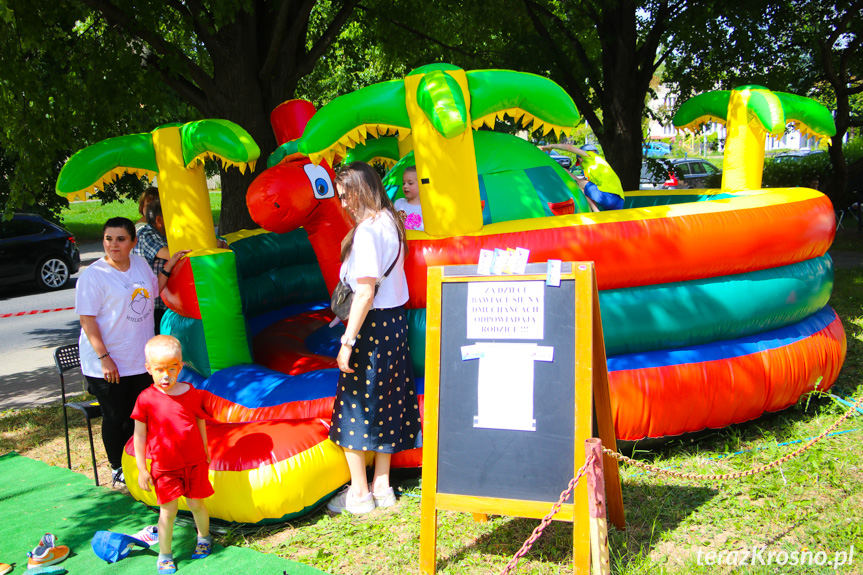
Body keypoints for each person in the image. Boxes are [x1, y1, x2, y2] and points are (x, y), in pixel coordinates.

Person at [326, 161, 423, 515]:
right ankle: (382, 486)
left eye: (346, 196)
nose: (344, 204)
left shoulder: (367, 231)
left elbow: (364, 293)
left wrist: (347, 341)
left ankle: (360, 494)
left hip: (370, 324)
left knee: (352, 407)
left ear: (359, 190)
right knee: (388, 401)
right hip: (395, 322)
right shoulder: (392, 221)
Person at [75, 217, 188, 487]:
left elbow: (154, 291)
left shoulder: (138, 263)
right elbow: (87, 321)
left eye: (121, 239)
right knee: (116, 416)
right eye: (108, 239)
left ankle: (141, 463)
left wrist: (169, 267)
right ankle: (117, 468)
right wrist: (105, 358)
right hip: (108, 363)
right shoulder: (94, 275)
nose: (113, 245)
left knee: (139, 415)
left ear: (133, 243)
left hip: (139, 360)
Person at [133, 335, 214, 575]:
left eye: (171, 368)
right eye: (159, 370)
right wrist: (141, 469)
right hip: (165, 467)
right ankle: (165, 554)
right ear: (149, 369)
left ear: (181, 366)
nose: (166, 375)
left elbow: (200, 423)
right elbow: (140, 435)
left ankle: (204, 537)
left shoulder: (192, 393)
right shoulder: (146, 399)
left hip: (194, 462)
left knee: (196, 504)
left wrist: (206, 451)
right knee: (167, 512)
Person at [541, 143, 625, 211]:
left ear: (580, 158)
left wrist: (551, 146)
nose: (581, 166)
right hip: (619, 199)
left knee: (580, 185)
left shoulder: (590, 156)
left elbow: (569, 147)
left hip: (607, 196)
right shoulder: (600, 164)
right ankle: (598, 214)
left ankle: (595, 212)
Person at [133, 200, 170, 333]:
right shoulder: (146, 234)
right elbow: (171, 254)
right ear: (159, 220)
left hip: (163, 305)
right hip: (151, 307)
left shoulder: (165, 234)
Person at [394, 165, 424, 231]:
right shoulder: (399, 203)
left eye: (410, 183)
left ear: (421, 184)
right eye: (403, 183)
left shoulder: (425, 208)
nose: (405, 186)